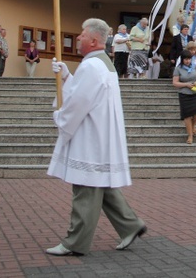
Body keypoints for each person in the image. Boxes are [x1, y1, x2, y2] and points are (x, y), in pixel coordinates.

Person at [45, 18, 146, 256]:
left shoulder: (92, 66)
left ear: (92, 40)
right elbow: (83, 92)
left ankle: (75, 242)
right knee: (101, 185)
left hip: (90, 138)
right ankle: (130, 225)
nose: (77, 38)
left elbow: (79, 102)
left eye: (81, 34)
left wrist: (60, 116)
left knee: (86, 189)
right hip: (100, 136)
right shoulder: (102, 63)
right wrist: (68, 77)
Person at [172, 50, 196, 145]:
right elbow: (175, 83)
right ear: (182, 59)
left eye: (189, 59)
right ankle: (190, 135)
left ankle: (193, 125)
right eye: (185, 59)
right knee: (187, 116)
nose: (187, 61)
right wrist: (186, 84)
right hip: (184, 94)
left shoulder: (195, 66)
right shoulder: (178, 69)